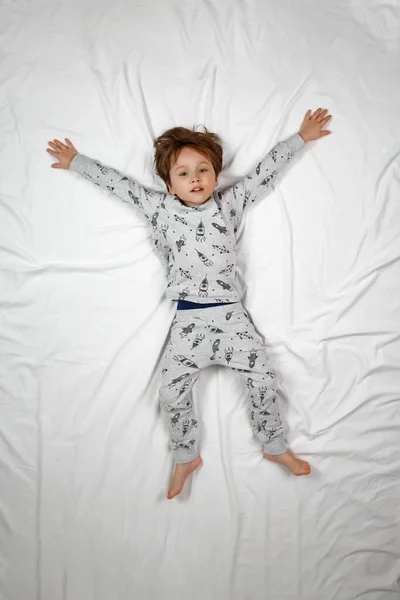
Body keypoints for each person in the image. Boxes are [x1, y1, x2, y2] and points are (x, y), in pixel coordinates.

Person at [46, 107, 332, 499]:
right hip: (189, 321)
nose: (195, 178)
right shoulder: (160, 210)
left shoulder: (230, 204)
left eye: (203, 169)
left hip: (231, 316)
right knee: (169, 392)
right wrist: (76, 162)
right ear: (168, 184)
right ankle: (185, 455)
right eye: (183, 172)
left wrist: (302, 136)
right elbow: (119, 186)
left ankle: (274, 445)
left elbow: (265, 172)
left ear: (216, 175)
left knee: (263, 381)